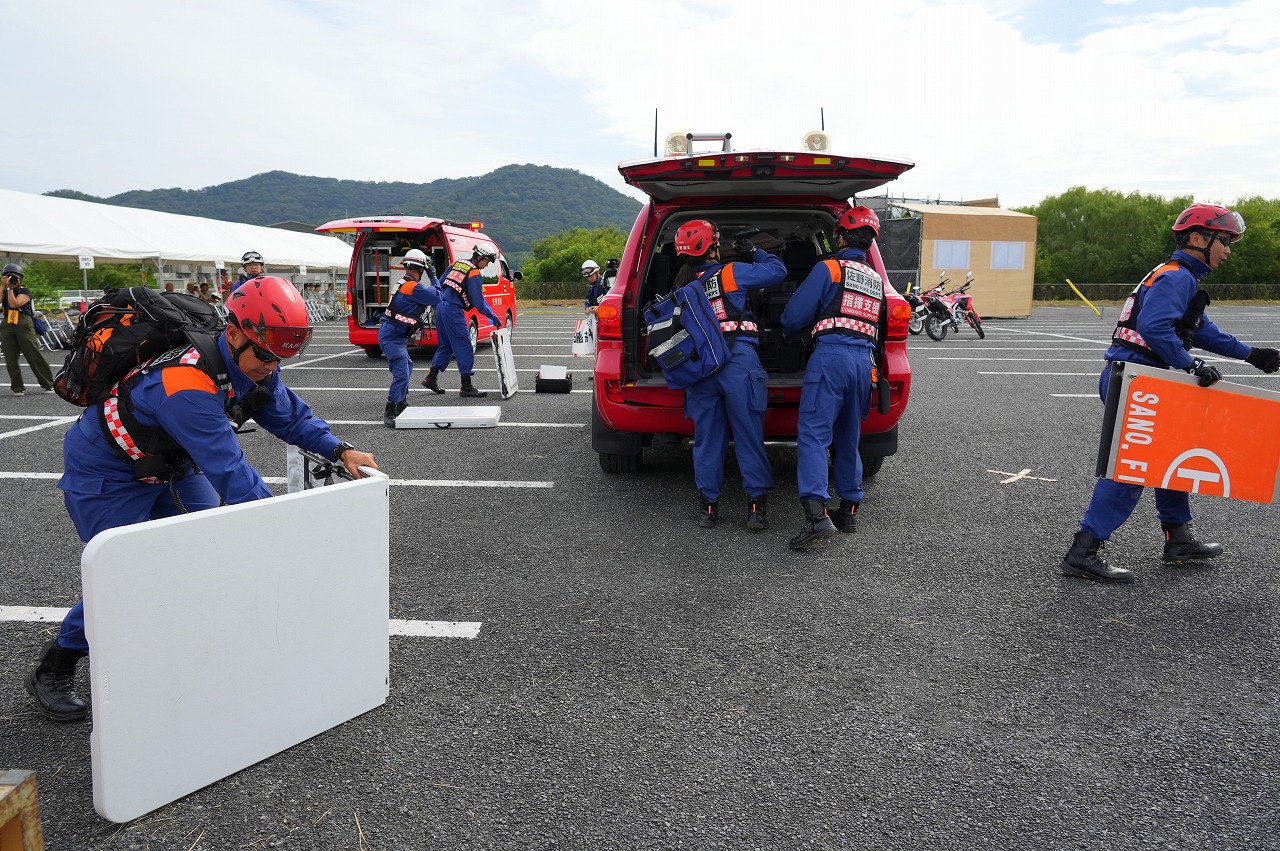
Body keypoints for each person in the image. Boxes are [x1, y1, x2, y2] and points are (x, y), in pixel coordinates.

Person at [24, 275, 378, 721]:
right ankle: (56, 663)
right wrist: (283, 530)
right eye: (266, 355)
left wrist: (340, 449)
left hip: (171, 463)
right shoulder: (185, 383)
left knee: (207, 550)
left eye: (282, 358)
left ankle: (184, 652)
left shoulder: (253, 361)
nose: (271, 366)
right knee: (126, 575)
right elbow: (230, 471)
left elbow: (288, 415)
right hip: (107, 470)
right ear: (234, 333)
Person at [1061, 203, 1280, 583]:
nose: (1228, 249)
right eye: (1224, 241)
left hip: (1146, 377)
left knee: (1171, 456)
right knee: (1131, 466)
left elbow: (1205, 332)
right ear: (1198, 238)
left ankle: (1177, 539)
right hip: (1136, 378)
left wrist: (1252, 355)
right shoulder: (1177, 277)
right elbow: (1155, 327)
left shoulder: (1182, 277)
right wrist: (1190, 364)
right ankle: (1083, 550)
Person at [780, 205, 886, 550]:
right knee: (848, 434)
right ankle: (849, 510)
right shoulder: (874, 279)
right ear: (870, 242)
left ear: (840, 237)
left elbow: (794, 316)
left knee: (813, 435)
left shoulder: (830, 268)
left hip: (831, 359)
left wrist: (787, 327)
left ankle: (816, 516)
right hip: (863, 364)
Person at [671, 220, 785, 530]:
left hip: (701, 369)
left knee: (707, 440)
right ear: (714, 247)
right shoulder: (730, 273)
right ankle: (755, 509)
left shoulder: (681, 286)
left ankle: (709, 508)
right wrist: (753, 250)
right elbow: (778, 270)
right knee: (748, 435)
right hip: (738, 362)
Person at [421, 245, 505, 398]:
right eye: (487, 261)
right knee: (465, 346)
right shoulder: (473, 273)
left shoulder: (456, 263)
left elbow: (439, 283)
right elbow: (478, 303)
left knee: (446, 346)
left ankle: (430, 378)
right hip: (453, 310)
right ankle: (466, 386)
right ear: (479, 257)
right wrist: (493, 317)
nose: (487, 265)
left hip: (440, 307)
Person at [378, 248, 439, 426]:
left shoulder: (403, 283)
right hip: (392, 336)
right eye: (425, 270)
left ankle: (401, 403)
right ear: (421, 269)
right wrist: (434, 276)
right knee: (402, 370)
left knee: (407, 366)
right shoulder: (413, 286)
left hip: (392, 334)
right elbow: (438, 297)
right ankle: (391, 409)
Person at [1, 263, 57, 395]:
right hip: (7, 322)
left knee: (33, 354)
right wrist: (3, 285)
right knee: (9, 358)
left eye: (14, 277)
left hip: (23, 323)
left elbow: (15, 304)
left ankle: (48, 384)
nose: (11, 280)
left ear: (20, 279)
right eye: (7, 277)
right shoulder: (4, 289)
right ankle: (17, 388)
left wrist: (9, 289)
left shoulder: (26, 291)